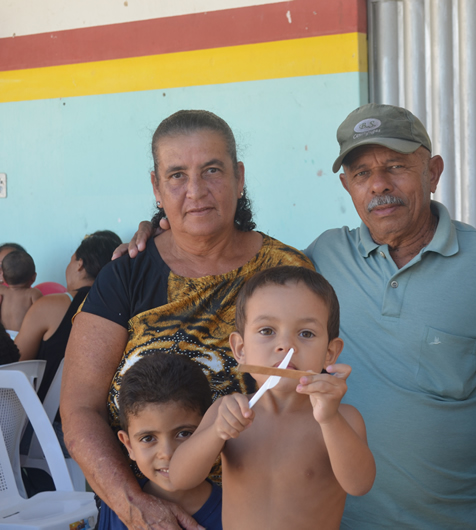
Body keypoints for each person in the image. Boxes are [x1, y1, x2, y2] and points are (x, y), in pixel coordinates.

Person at [122, 103, 476, 529]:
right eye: (362, 173)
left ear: (433, 171)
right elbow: (254, 281)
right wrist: (161, 237)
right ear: (346, 185)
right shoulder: (322, 258)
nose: (379, 185)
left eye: (396, 166)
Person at [61, 110, 313, 530]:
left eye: (212, 170)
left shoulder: (286, 273)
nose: (195, 191)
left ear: (239, 177)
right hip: (134, 511)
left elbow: (307, 403)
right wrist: (134, 506)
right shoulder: (125, 275)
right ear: (156, 188)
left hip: (258, 511)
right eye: (177, 175)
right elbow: (79, 409)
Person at [169, 266, 375, 528]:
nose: (286, 346)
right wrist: (216, 432)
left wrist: (330, 419)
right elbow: (180, 478)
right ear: (240, 349)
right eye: (267, 330)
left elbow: (360, 485)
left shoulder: (343, 418)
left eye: (306, 333)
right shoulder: (227, 411)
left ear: (329, 353)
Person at [98, 353, 222, 530]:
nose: (167, 453)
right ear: (128, 445)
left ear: (208, 431)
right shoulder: (116, 508)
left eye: (184, 434)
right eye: (148, 438)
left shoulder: (236, 508)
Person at [16, 230, 122, 402]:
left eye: (71, 260)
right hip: (99, 413)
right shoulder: (122, 310)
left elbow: (15, 362)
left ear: (79, 264)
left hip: (41, 415)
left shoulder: (50, 306)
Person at [0, 249, 42, 337]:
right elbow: (43, 312)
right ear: (33, 277)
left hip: (4, 335)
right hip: (24, 336)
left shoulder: (2, 290)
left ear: (4, 278)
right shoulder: (33, 294)